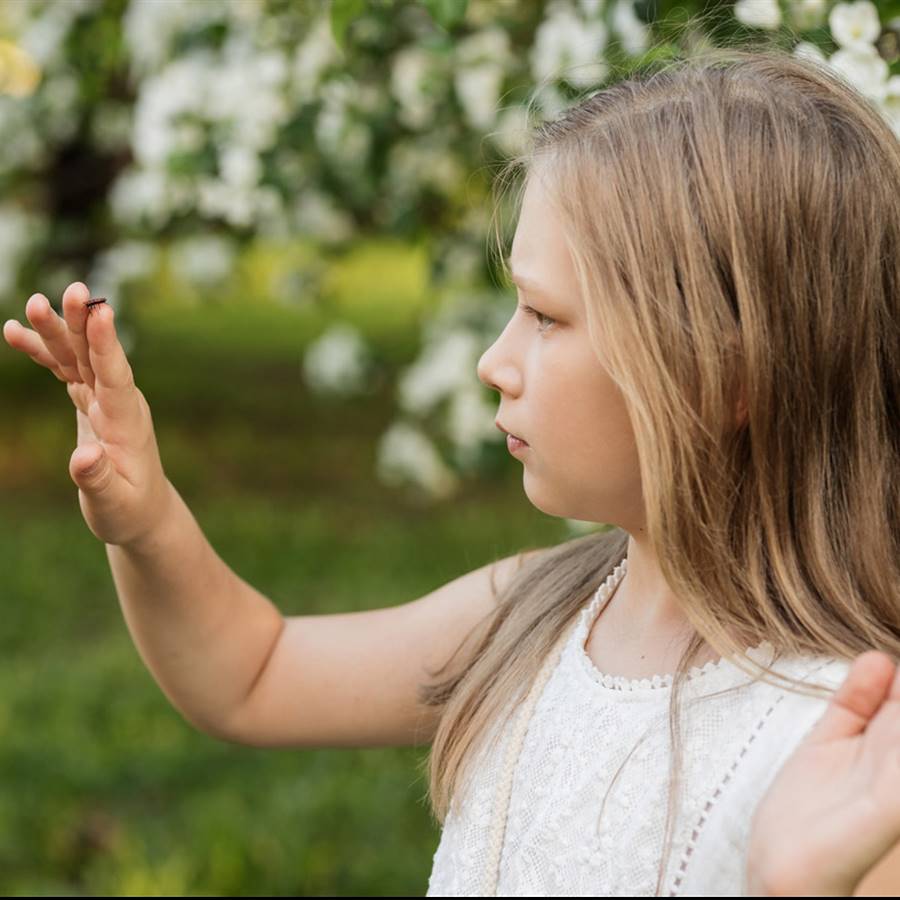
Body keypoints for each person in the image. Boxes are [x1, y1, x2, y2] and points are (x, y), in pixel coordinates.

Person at [2, 45, 899, 896]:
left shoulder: (853, 756)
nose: (494, 362)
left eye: (545, 317)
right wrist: (146, 518)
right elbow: (252, 675)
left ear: (722, 373)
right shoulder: (539, 614)